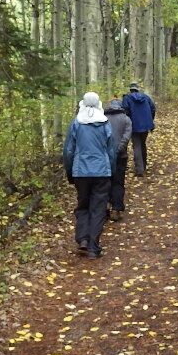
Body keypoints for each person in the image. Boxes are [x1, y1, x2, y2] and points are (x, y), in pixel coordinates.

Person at [63, 92, 116, 258]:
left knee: (83, 206)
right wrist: (112, 171)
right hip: (101, 172)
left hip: (81, 173)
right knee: (98, 208)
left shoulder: (76, 124)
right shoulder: (105, 124)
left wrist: (69, 171)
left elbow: (68, 151)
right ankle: (94, 247)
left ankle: (83, 240)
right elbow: (111, 151)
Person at [103, 98, 132, 221]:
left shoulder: (103, 119)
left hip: (105, 156)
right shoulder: (126, 119)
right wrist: (118, 150)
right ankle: (116, 209)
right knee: (118, 182)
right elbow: (126, 137)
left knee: (106, 181)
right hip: (120, 156)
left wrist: (107, 151)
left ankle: (106, 206)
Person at [121, 82, 156, 176]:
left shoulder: (127, 98)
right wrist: (150, 120)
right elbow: (153, 109)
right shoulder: (146, 97)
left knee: (136, 146)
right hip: (146, 125)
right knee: (142, 144)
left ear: (130, 89)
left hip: (134, 125)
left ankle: (140, 170)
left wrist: (127, 124)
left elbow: (125, 111)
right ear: (137, 89)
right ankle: (143, 165)